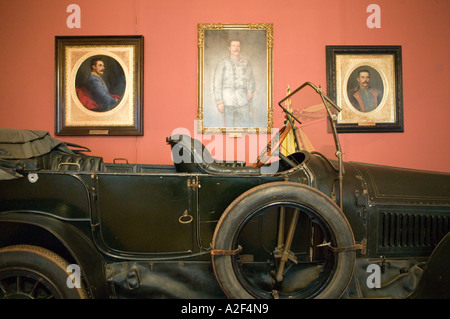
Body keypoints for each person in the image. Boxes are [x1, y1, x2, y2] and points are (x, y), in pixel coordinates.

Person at [213, 40, 255, 127]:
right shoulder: (222, 63)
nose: (236, 48)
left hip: (243, 99)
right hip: (227, 100)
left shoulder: (246, 62)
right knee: (229, 127)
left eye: (238, 46)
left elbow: (251, 78)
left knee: (246, 125)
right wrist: (219, 102)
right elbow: (217, 83)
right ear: (229, 48)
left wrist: (250, 90)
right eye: (234, 46)